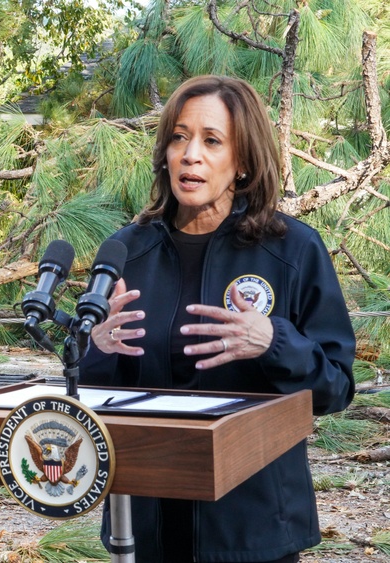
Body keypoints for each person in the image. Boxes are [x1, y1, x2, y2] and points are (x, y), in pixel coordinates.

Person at [80, 74, 356, 562]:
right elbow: (93, 391)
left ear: (243, 162)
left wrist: (273, 341)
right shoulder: (127, 251)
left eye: (211, 141)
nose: (190, 155)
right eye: (179, 137)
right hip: (148, 523)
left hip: (253, 530)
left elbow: (336, 388)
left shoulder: (292, 250)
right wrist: (98, 348)